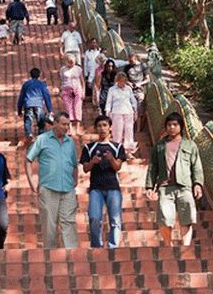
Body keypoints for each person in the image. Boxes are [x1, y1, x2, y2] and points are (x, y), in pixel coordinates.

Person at [144, 111, 204, 247]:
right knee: (164, 218)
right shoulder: (159, 146)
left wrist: (197, 184)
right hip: (165, 187)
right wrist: (149, 186)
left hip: (185, 186)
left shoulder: (190, 145)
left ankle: (186, 246)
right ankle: (168, 245)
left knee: (186, 217)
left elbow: (197, 166)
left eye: (175, 124)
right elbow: (153, 167)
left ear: (181, 127)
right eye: (169, 125)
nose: (171, 127)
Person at [25, 112, 79, 249]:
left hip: (68, 188)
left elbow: (74, 164)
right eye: (63, 124)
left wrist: (75, 180)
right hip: (48, 188)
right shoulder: (42, 139)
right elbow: (28, 160)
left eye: (68, 124)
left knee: (69, 221)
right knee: (49, 223)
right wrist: (32, 182)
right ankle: (50, 253)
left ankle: (71, 253)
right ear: (54, 123)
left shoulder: (70, 142)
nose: (66, 127)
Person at [80, 115, 126, 248]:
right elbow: (85, 168)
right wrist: (93, 162)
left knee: (115, 219)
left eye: (105, 125)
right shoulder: (89, 148)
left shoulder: (117, 147)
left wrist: (111, 159)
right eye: (99, 126)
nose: (102, 129)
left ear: (110, 128)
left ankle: (113, 247)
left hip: (113, 187)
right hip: (96, 188)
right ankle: (96, 246)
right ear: (95, 128)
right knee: (94, 218)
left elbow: (118, 167)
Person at [105, 72, 138, 158]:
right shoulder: (112, 89)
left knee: (129, 132)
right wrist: (107, 113)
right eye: (121, 81)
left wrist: (135, 109)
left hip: (128, 112)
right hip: (117, 112)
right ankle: (117, 151)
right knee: (117, 132)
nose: (122, 83)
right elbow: (109, 102)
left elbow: (133, 100)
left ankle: (128, 152)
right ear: (117, 81)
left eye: (124, 81)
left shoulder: (128, 89)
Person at [17, 67, 53, 143]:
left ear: (31, 75)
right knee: (40, 122)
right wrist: (49, 109)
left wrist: (19, 110)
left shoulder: (26, 84)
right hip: (38, 104)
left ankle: (29, 134)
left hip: (28, 104)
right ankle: (40, 136)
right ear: (39, 75)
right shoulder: (42, 84)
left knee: (28, 120)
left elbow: (21, 97)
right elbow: (46, 96)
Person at [58, 54, 85, 137]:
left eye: (72, 62)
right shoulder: (63, 70)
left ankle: (77, 127)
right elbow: (61, 81)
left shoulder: (78, 69)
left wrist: (83, 91)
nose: (71, 63)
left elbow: (82, 81)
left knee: (77, 108)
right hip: (66, 89)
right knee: (68, 109)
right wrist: (60, 91)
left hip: (77, 89)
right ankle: (69, 128)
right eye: (69, 62)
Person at [124, 51, 150, 132]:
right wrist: (129, 83)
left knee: (139, 111)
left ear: (135, 59)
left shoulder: (143, 66)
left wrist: (140, 83)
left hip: (140, 91)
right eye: (129, 61)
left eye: (131, 61)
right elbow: (124, 79)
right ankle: (131, 128)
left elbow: (148, 79)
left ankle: (138, 129)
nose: (130, 62)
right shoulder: (127, 67)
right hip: (129, 91)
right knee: (130, 110)